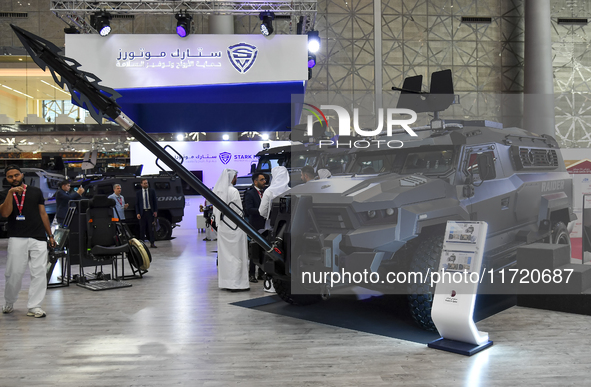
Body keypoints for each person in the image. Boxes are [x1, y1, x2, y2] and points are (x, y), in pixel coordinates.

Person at [0, 165, 56, 318]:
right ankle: (9, 302)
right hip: (17, 237)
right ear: (7, 179)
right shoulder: (4, 193)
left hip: (38, 237)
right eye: (10, 177)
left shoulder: (35, 191)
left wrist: (50, 235)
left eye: (16, 175)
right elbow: (5, 213)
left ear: (22, 175)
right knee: (14, 273)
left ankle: (35, 306)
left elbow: (43, 213)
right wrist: (10, 194)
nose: (14, 178)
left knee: (39, 273)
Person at [213, 168, 249, 292]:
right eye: (235, 177)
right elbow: (238, 211)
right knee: (237, 255)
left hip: (223, 227)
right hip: (235, 227)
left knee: (226, 256)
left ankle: (226, 282)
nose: (236, 179)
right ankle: (237, 284)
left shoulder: (218, 191)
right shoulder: (233, 191)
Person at [258, 166, 290, 293]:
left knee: (271, 253)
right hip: (287, 227)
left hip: (272, 227)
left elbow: (262, 211)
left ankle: (271, 285)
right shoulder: (291, 190)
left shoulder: (269, 191)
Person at [243, 172, 266, 283]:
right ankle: (252, 274)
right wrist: (261, 211)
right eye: (262, 180)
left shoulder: (266, 193)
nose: (264, 181)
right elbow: (248, 209)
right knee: (254, 250)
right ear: (255, 181)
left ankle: (261, 273)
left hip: (265, 225)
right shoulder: (250, 193)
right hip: (255, 225)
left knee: (264, 250)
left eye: (264, 179)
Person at [135, 178, 158, 248]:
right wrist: (138, 213)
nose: (146, 184)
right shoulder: (138, 193)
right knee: (142, 228)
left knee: (150, 228)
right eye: (144, 183)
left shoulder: (152, 191)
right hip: (142, 213)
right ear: (141, 184)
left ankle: (152, 243)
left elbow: (155, 202)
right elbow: (137, 204)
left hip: (150, 212)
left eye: (147, 183)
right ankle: (142, 243)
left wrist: (155, 211)